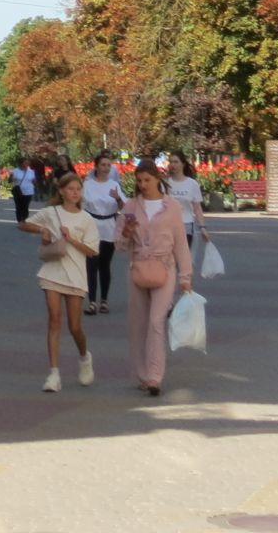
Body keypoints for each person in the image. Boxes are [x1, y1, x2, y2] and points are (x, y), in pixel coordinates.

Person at [118, 159, 193, 394]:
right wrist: (126, 233)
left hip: (165, 267)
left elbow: (181, 242)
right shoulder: (130, 206)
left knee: (156, 321)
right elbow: (118, 245)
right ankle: (141, 374)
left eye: (147, 180)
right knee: (138, 324)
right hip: (139, 267)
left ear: (158, 179)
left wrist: (185, 276)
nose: (142, 185)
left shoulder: (171, 207)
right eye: (139, 181)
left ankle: (154, 377)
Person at [18, 169, 98, 391]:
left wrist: (70, 239)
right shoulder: (51, 212)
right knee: (54, 319)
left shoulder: (86, 219)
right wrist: (42, 230)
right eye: (70, 189)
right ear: (61, 191)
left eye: (78, 189)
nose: (74, 193)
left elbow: (92, 251)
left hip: (76, 275)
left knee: (75, 327)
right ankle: (53, 374)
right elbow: (23, 224)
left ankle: (84, 357)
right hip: (52, 272)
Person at [81, 152, 127, 314]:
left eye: (108, 165)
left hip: (109, 226)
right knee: (91, 264)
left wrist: (118, 199)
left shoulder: (114, 184)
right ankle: (92, 301)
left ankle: (104, 300)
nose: (106, 168)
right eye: (103, 165)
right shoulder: (88, 184)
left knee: (104, 265)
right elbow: (80, 205)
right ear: (96, 166)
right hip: (92, 225)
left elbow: (125, 208)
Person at [166, 153, 205, 257]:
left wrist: (202, 227)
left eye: (176, 162)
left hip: (186, 225)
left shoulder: (192, 184)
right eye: (171, 162)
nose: (172, 165)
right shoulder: (165, 184)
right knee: (169, 260)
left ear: (183, 164)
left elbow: (197, 208)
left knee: (183, 259)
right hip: (168, 226)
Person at [11, 157, 38, 225]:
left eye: (27, 163)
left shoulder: (31, 171)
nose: (27, 164)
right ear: (20, 163)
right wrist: (11, 177)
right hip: (18, 191)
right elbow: (10, 180)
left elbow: (34, 181)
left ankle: (24, 219)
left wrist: (35, 181)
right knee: (19, 206)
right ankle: (19, 220)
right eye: (25, 162)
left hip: (29, 191)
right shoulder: (15, 171)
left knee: (25, 206)